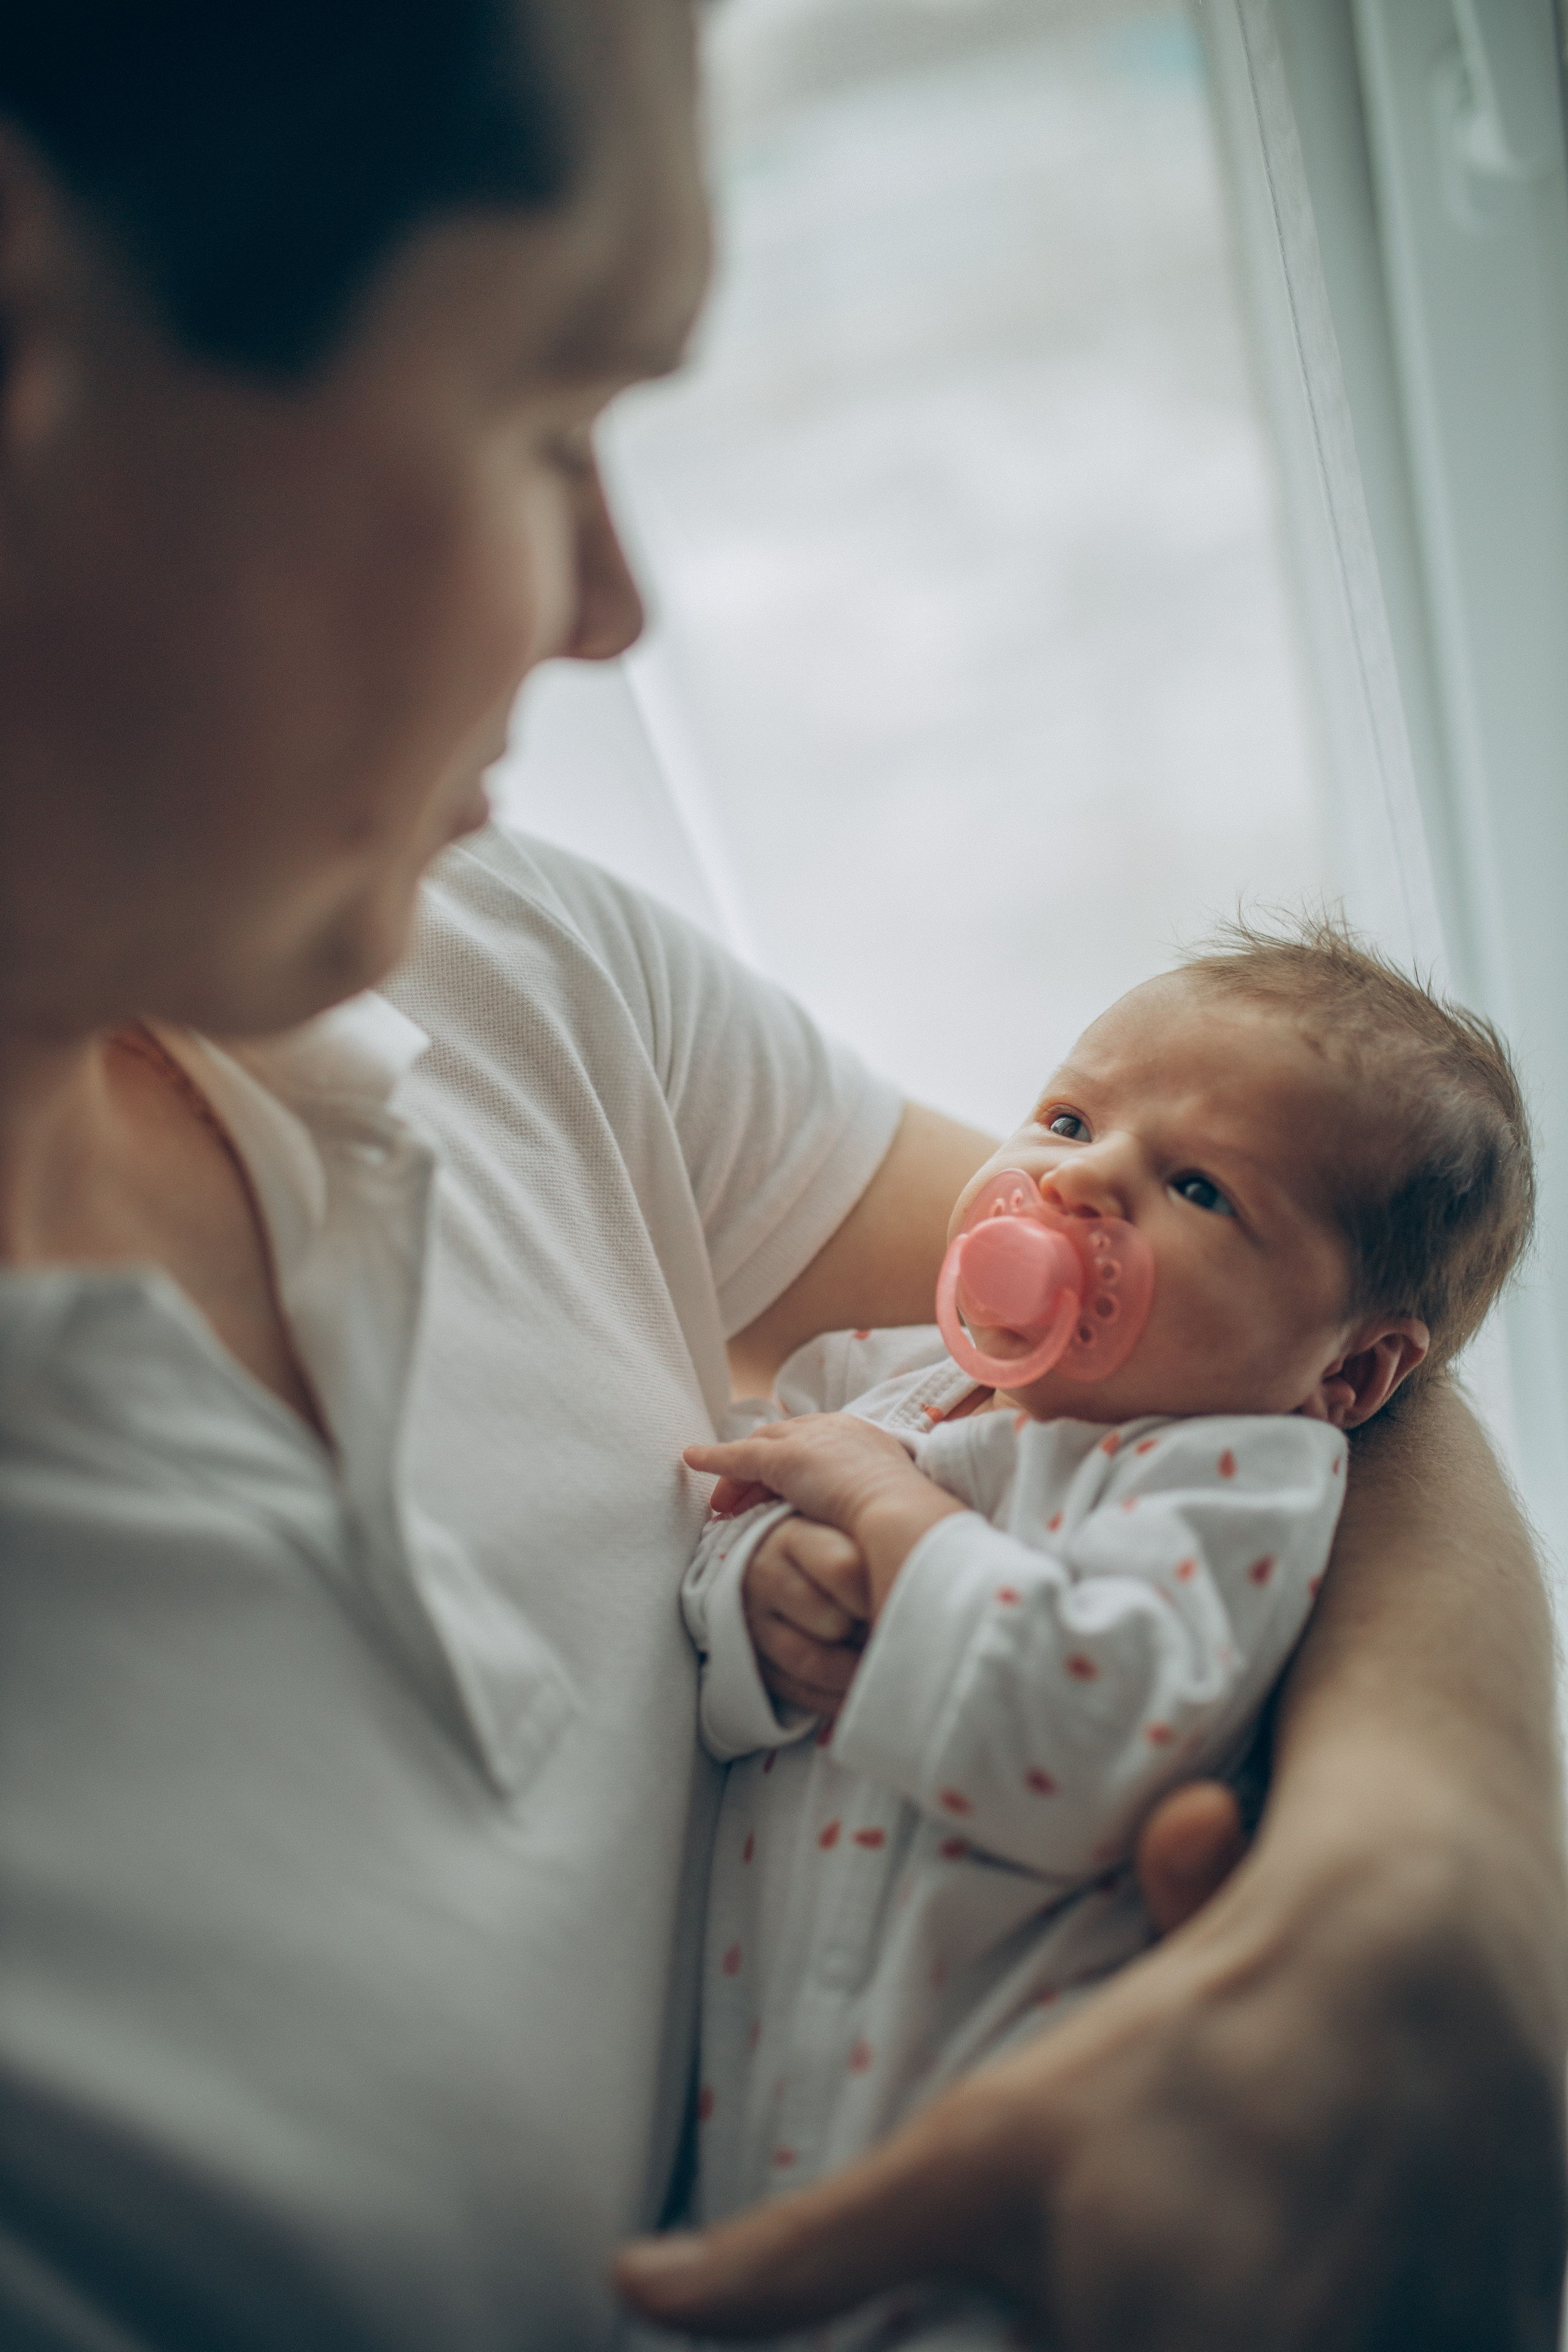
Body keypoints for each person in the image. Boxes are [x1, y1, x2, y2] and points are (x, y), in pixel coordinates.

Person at [0, 7, 1560, 2351]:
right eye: (550, 414)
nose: (613, 606)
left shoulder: (501, 958)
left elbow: (1261, 1362)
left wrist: (1439, 1876)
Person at [639, 927, 1532, 2350]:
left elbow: (1085, 1746)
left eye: (1196, 1187)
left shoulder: (1236, 1483)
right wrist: (757, 1603)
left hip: (1008, 2223)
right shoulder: (870, 1384)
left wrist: (882, 1512)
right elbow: (717, 1534)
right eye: (1065, 1117)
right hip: (742, 2134)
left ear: (1348, 1371)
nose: (1075, 1176)